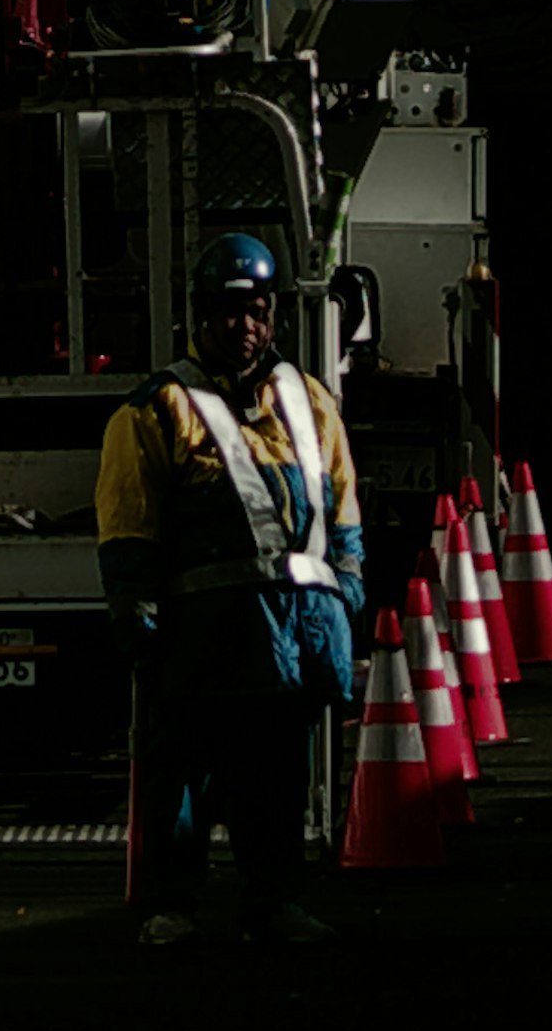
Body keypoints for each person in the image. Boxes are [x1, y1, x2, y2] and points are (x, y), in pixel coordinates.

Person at [95, 227, 365, 946]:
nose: (244, 327)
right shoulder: (156, 408)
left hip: (293, 633)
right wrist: (134, 602)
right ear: (201, 316)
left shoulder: (309, 401)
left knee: (274, 780)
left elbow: (342, 508)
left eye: (256, 312)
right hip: (201, 637)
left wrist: (348, 588)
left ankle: (273, 900)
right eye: (227, 312)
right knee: (180, 777)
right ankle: (172, 904)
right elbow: (129, 516)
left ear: (273, 315)